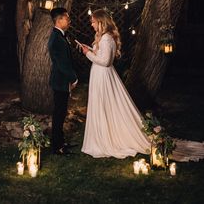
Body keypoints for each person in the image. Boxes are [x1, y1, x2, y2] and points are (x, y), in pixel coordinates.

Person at [81, 9, 204, 161]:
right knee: (103, 106)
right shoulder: (105, 37)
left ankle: (106, 138)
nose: (91, 24)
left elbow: (106, 62)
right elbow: (102, 56)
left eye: (93, 21)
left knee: (104, 105)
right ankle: (103, 134)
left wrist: (87, 53)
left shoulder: (106, 38)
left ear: (100, 22)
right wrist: (92, 50)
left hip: (103, 76)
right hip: (100, 75)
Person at [48, 7, 78, 155]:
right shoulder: (57, 39)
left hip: (61, 81)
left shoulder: (60, 36)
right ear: (59, 20)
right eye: (66, 18)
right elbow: (62, 64)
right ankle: (57, 147)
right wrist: (73, 78)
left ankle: (60, 142)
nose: (69, 20)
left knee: (61, 113)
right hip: (60, 81)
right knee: (59, 114)